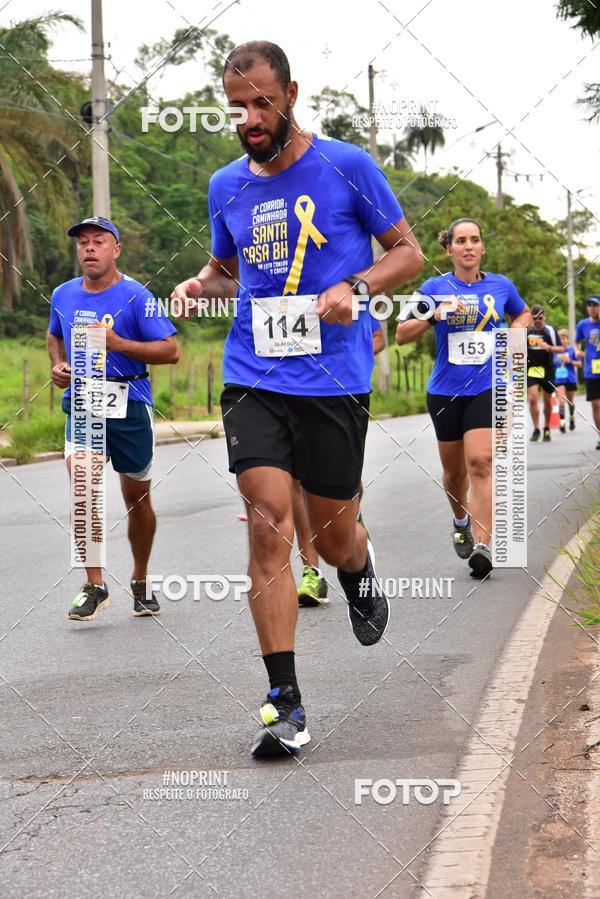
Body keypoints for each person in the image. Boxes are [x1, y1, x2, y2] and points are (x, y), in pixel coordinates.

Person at [170, 41, 423, 758]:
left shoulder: (347, 166)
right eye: (238, 107)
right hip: (253, 373)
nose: (249, 118)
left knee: (333, 532)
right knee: (265, 523)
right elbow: (228, 273)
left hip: (334, 380)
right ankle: (286, 701)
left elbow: (407, 251)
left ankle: (357, 563)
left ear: (292, 94)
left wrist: (360, 287)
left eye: (262, 103)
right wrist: (196, 287)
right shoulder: (227, 186)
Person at [47, 216, 179, 621]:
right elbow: (54, 335)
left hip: (130, 403)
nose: (89, 248)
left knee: (137, 500)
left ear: (115, 249)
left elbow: (170, 351)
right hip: (84, 400)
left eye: (98, 242)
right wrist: (59, 366)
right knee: (84, 488)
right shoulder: (63, 294)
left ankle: (140, 579)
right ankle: (95, 584)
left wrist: (119, 343)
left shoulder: (138, 296)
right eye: (83, 242)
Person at [395, 217, 531, 579]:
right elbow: (401, 334)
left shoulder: (501, 286)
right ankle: (461, 521)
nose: (468, 246)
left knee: (481, 462)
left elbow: (523, 313)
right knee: (454, 473)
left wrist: (514, 333)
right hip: (444, 391)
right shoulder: (433, 287)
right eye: (460, 241)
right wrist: (435, 314)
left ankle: (484, 545)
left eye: (474, 240)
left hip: (488, 387)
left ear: (482, 247)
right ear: (449, 248)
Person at [296, 316, 385, 606]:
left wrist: (349, 356)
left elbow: (378, 338)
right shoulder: (274, 280)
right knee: (297, 481)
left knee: (342, 484)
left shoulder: (343, 278)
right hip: (286, 388)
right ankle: (312, 572)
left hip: (338, 392)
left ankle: (351, 515)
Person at [527, 304, 562, 442]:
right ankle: (536, 428)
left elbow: (561, 348)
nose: (537, 321)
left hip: (547, 369)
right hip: (532, 370)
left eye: (540, 318)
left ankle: (546, 427)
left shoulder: (550, 331)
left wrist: (549, 348)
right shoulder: (528, 331)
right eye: (534, 318)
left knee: (547, 401)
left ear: (544, 317)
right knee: (533, 398)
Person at [575, 296, 600, 449]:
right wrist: (578, 351)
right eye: (589, 305)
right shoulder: (583, 324)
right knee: (596, 405)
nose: (592, 308)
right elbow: (576, 341)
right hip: (592, 369)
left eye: (595, 305)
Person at [554, 328, 581, 433]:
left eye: (564, 338)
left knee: (570, 402)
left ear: (568, 340)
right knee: (560, 402)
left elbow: (580, 364)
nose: (562, 341)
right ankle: (562, 423)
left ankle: (571, 417)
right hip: (559, 379)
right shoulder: (555, 351)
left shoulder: (572, 350)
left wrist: (570, 361)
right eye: (560, 339)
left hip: (570, 379)